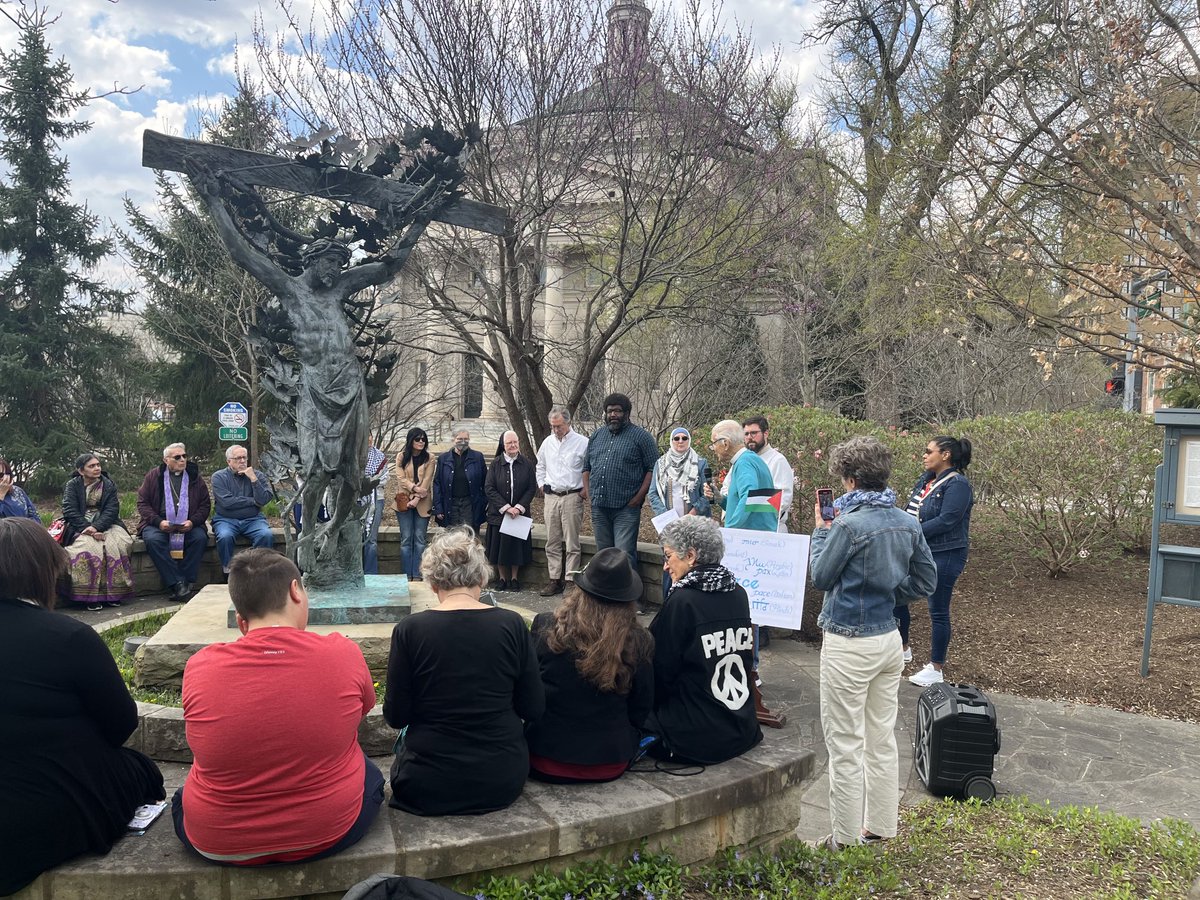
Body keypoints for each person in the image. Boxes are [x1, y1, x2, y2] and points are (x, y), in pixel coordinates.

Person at [175, 549, 382, 865]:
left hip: (217, 840)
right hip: (326, 831)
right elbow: (364, 709)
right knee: (370, 773)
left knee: (182, 796)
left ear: (242, 620)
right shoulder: (342, 652)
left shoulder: (200, 665)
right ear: (296, 590)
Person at [0, 519, 165, 895]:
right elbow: (121, 724)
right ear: (45, 570)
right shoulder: (69, 636)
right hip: (34, 812)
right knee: (142, 771)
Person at [808, 436, 937, 851]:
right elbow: (926, 581)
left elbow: (821, 577)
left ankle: (843, 840)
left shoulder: (845, 524)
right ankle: (880, 826)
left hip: (849, 642)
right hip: (888, 640)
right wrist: (885, 595)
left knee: (845, 743)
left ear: (848, 479)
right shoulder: (907, 521)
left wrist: (819, 531)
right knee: (880, 738)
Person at [383, 527, 544, 815]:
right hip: (501, 776)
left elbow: (397, 716)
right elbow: (532, 707)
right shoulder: (512, 625)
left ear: (432, 583)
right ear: (482, 578)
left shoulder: (410, 630)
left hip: (426, 781)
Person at [526, 547, 654, 782]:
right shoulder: (638, 639)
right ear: (627, 600)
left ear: (581, 590)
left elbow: (529, 692)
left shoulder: (546, 626)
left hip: (544, 757)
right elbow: (641, 706)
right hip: (610, 761)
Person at [648, 516, 763, 765]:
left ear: (690, 556)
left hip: (696, 737)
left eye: (668, 556)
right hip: (740, 726)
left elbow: (659, 670)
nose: (665, 567)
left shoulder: (683, 601)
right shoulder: (738, 593)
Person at [901, 435, 975, 688]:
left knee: (938, 609)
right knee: (896, 594)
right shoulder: (927, 480)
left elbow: (947, 521)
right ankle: (902, 649)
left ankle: (936, 668)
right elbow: (912, 510)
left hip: (946, 553)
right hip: (920, 549)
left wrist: (910, 531)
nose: (924, 455)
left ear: (945, 455)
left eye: (928, 451)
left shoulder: (958, 485)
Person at [582, 393, 659, 575]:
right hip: (599, 506)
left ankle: (629, 600)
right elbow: (586, 467)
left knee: (624, 555)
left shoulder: (641, 437)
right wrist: (589, 493)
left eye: (618, 411)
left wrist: (638, 498)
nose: (613, 415)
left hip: (626, 508)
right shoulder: (597, 435)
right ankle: (606, 600)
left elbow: (653, 468)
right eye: (610, 411)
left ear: (627, 413)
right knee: (603, 555)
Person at [136, 442, 211, 603]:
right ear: (166, 460)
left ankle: (186, 582)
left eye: (184, 456)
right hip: (159, 522)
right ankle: (177, 583)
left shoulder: (194, 477)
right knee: (153, 540)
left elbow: (205, 505)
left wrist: (192, 522)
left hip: (188, 523)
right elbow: (143, 503)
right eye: (177, 457)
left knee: (199, 538)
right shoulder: (153, 476)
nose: (182, 460)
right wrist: (158, 522)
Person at [61, 453, 134, 610]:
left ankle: (113, 595)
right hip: (80, 525)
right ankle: (90, 598)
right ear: (81, 471)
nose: (97, 468)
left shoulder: (108, 485)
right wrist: (87, 528)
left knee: (116, 546)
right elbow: (69, 510)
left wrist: (97, 527)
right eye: (92, 466)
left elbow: (112, 509)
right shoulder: (72, 485)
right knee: (88, 548)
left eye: (98, 465)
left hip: (107, 524)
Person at [648, 427, 711, 598]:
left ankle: (692, 602)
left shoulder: (700, 463)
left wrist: (693, 512)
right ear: (671, 441)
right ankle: (669, 603)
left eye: (684, 438)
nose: (680, 441)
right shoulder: (661, 464)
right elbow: (653, 493)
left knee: (694, 563)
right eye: (676, 438)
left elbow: (709, 494)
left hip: (694, 524)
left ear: (689, 440)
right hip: (670, 525)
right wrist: (665, 516)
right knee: (671, 564)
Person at [535, 405, 588, 596]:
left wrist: (584, 489)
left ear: (568, 423)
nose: (556, 430)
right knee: (552, 540)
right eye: (553, 426)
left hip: (572, 496)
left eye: (559, 426)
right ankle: (554, 579)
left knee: (572, 541)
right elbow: (540, 465)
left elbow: (588, 468)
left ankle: (571, 580)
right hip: (551, 496)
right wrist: (541, 484)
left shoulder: (582, 443)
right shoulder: (548, 442)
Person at [210, 445, 275, 580]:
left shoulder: (257, 475)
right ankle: (228, 573)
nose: (242, 461)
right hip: (226, 519)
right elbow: (227, 502)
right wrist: (253, 501)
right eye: (238, 458)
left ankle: (258, 571)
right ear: (229, 461)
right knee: (225, 536)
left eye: (244, 457)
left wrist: (254, 480)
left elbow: (263, 499)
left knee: (266, 535)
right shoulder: (219, 477)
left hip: (253, 519)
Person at [485, 430, 537, 591]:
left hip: (519, 514)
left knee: (516, 547)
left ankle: (514, 578)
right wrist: (506, 507)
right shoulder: (495, 464)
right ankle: (502, 578)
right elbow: (489, 487)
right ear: (503, 445)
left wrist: (519, 507)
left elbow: (531, 488)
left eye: (515, 442)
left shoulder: (527, 464)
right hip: (499, 514)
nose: (513, 445)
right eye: (509, 443)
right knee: (499, 547)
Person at [704, 419, 778, 531]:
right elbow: (751, 502)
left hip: (752, 539)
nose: (713, 449)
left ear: (726, 443)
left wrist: (730, 530)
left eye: (713, 443)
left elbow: (749, 496)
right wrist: (720, 499)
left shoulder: (744, 462)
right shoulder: (749, 459)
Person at [395, 428, 435, 581]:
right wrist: (414, 488)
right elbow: (401, 478)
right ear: (411, 440)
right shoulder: (401, 456)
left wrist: (417, 498)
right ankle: (406, 574)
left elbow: (427, 479)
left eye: (423, 439)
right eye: (417, 439)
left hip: (423, 503)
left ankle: (418, 574)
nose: (421, 442)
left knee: (420, 539)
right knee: (406, 539)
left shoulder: (430, 457)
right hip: (403, 501)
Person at [743, 416, 794, 533]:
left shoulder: (777, 460)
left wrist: (749, 509)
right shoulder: (742, 461)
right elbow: (727, 489)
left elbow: (783, 499)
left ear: (766, 433)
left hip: (770, 530)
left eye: (754, 433)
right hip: (744, 529)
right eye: (746, 434)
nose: (749, 437)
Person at [432, 428, 487, 534]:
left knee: (470, 536)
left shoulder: (477, 457)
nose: (463, 441)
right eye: (460, 438)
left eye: (466, 439)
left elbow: (485, 482)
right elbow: (437, 483)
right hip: (450, 503)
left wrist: (483, 503)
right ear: (453, 439)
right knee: (451, 538)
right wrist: (438, 507)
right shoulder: (443, 459)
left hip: (470, 504)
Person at [361, 445, 389, 574]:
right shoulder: (351, 453)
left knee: (371, 538)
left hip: (376, 498)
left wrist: (370, 482)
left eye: (369, 435)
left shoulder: (379, 456)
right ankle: (356, 570)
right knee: (355, 537)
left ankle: (370, 572)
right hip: (356, 498)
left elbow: (384, 477)